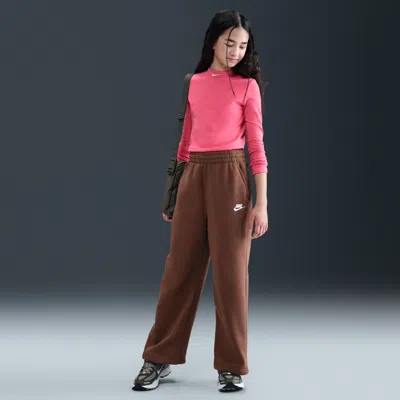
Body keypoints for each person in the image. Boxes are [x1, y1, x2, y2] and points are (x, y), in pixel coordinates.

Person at [132, 9, 269, 393]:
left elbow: (257, 148)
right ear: (213, 41)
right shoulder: (193, 83)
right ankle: (158, 358)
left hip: (232, 180)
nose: (236, 52)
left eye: (242, 46)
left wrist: (261, 204)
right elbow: (184, 143)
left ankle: (231, 366)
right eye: (230, 43)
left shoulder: (247, 87)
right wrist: (173, 194)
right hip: (193, 176)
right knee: (179, 272)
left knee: (231, 277)